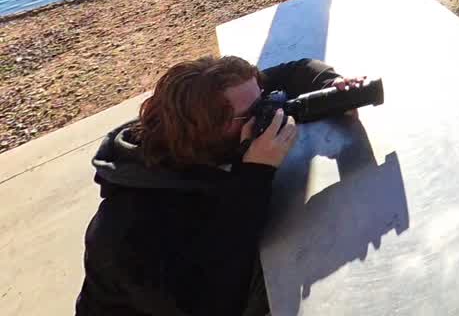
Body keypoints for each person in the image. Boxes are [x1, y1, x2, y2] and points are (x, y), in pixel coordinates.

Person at [76, 55, 363, 316]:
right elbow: (217, 301)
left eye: (264, 99)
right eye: (256, 112)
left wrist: (334, 85)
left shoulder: (198, 122)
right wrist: (255, 174)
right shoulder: (130, 232)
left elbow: (295, 70)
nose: (268, 112)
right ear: (205, 130)